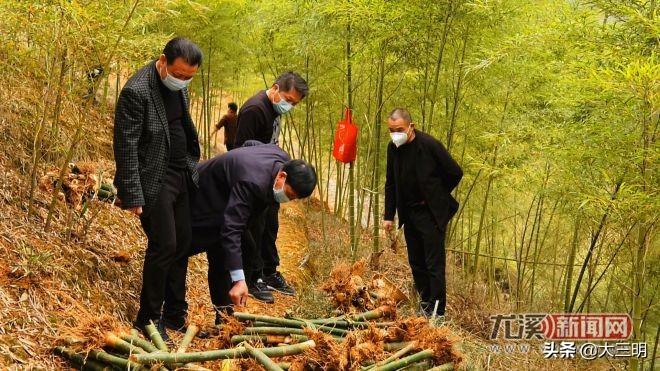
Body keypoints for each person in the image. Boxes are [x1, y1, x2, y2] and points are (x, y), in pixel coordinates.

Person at [113, 37, 202, 341]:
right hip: (154, 178)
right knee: (164, 245)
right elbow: (125, 147)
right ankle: (148, 318)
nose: (183, 81)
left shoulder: (181, 85)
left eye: (189, 77)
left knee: (184, 241)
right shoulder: (136, 92)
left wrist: (191, 162)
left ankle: (175, 313)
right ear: (163, 61)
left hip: (180, 173)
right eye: (178, 75)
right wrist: (132, 193)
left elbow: (181, 126)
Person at [187, 144, 317, 322]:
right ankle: (208, 316)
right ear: (282, 176)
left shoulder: (282, 161)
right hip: (200, 195)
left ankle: (231, 311)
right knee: (209, 253)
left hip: (228, 198)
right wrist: (238, 279)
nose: (288, 200)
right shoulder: (252, 181)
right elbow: (231, 229)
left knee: (248, 248)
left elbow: (251, 144)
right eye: (290, 194)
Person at [233, 72, 309, 302]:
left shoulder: (274, 109)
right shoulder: (255, 109)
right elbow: (240, 149)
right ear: (276, 89)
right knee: (254, 229)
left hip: (270, 178)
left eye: (294, 104)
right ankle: (252, 277)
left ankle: (268, 271)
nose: (289, 105)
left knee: (269, 226)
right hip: (254, 180)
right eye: (288, 99)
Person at [382, 108, 463, 318]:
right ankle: (425, 304)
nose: (395, 134)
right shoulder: (393, 148)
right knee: (416, 261)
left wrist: (435, 193)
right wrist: (388, 215)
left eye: (399, 129)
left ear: (411, 126)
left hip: (430, 213)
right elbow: (390, 182)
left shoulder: (429, 145)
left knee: (433, 263)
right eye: (391, 130)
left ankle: (438, 312)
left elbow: (455, 172)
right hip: (409, 212)